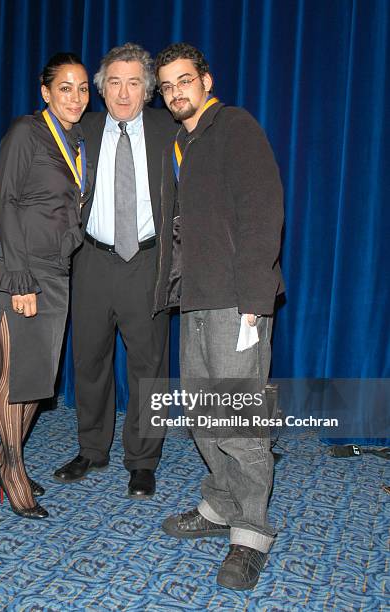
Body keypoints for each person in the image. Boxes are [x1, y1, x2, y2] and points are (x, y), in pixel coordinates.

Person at [153, 43, 284, 589]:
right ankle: (220, 506)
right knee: (204, 413)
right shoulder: (186, 142)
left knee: (243, 424)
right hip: (199, 297)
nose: (177, 92)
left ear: (206, 79)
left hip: (238, 301)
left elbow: (263, 211)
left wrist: (255, 300)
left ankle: (250, 535)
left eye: (185, 80)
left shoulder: (235, 127)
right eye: (167, 86)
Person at [53, 43, 177, 498]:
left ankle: (144, 461)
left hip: (147, 261)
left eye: (134, 83)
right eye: (114, 83)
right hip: (91, 259)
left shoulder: (170, 130)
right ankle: (91, 449)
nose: (123, 93)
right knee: (88, 359)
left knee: (150, 367)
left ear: (148, 91)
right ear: (101, 89)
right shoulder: (79, 128)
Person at [0, 52, 90, 519]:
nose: (76, 96)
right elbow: (6, 202)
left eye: (83, 88)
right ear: (45, 93)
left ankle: (3, 454)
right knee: (17, 377)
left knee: (37, 379)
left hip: (56, 272)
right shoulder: (26, 132)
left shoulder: (79, 141)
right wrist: (20, 276)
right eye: (65, 87)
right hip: (19, 268)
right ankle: (11, 469)